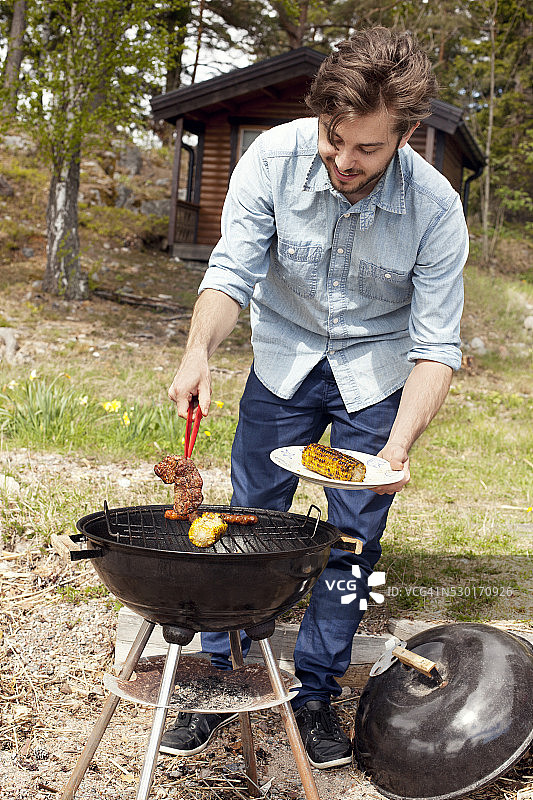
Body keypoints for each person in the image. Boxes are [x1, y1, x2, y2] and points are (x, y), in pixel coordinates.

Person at [159, 27, 469, 769]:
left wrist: (395, 449)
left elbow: (436, 346)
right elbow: (231, 270)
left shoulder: (433, 207)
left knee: (352, 538)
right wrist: (199, 350)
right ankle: (218, 672)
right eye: (334, 140)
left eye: (365, 149)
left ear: (405, 134)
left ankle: (314, 694)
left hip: (378, 371)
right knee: (245, 516)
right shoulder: (271, 159)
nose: (342, 161)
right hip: (284, 355)